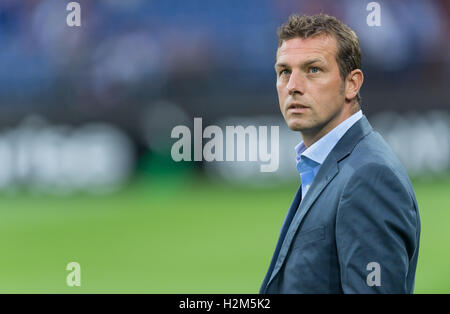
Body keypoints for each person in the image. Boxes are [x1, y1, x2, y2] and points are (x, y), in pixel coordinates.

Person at [259, 14, 420, 294]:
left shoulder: (369, 177)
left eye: (313, 70)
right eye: (284, 71)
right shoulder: (325, 165)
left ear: (352, 84)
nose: (293, 86)